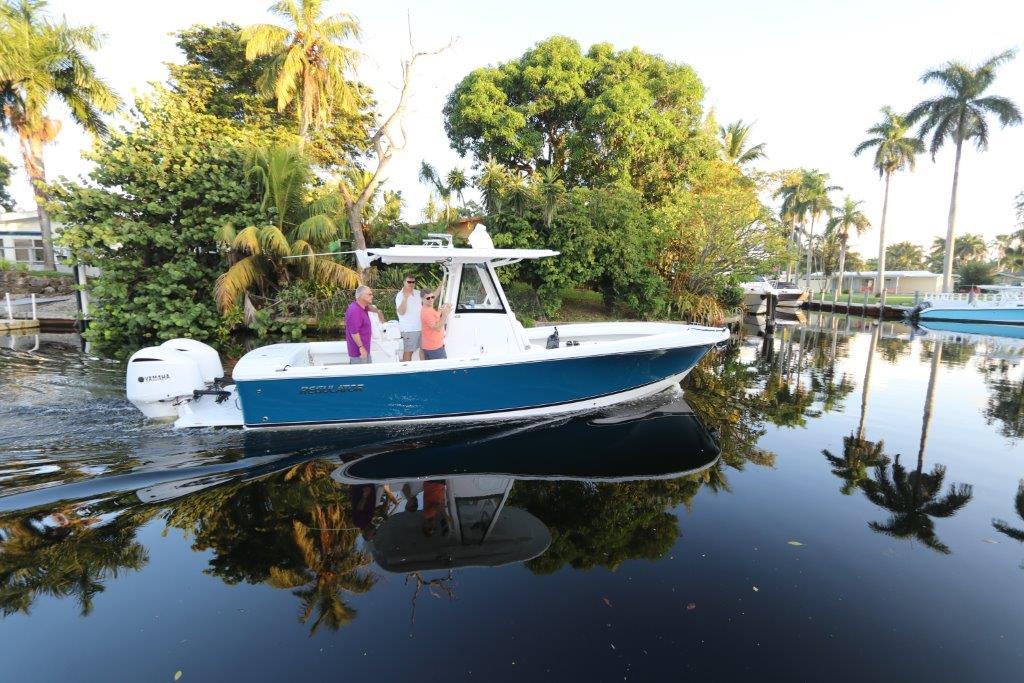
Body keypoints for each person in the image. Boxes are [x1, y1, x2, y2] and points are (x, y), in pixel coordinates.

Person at [345, 285, 384, 364]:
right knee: (360, 372)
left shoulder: (363, 307)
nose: (372, 296)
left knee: (369, 370)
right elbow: (354, 332)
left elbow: (369, 307)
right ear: (361, 296)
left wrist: (378, 311)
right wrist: (361, 347)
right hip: (359, 353)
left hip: (366, 350)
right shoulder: (354, 310)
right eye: (369, 294)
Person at [395, 274, 422, 361]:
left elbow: (430, 298)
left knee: (422, 350)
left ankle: (422, 367)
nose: (411, 284)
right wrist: (405, 298)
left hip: (420, 327)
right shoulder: (400, 295)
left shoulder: (418, 293)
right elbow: (401, 312)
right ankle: (406, 368)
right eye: (409, 282)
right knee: (408, 352)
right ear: (404, 282)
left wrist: (440, 287)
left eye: (413, 282)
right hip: (409, 329)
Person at [420, 290, 452, 360]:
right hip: (434, 348)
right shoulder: (427, 312)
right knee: (443, 366)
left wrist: (440, 310)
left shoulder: (428, 309)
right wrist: (444, 315)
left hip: (431, 346)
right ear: (422, 299)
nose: (431, 299)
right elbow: (437, 327)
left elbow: (435, 318)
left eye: (432, 297)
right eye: (428, 298)